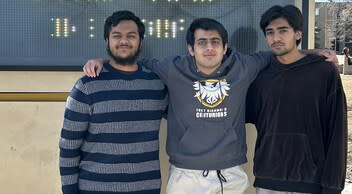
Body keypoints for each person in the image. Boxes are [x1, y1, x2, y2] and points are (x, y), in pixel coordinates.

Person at [83, 17, 338, 194]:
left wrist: (314, 52)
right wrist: (102, 60)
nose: (209, 47)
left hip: (231, 174)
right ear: (191, 49)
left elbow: (280, 52)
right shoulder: (172, 68)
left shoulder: (245, 65)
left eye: (215, 42)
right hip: (185, 177)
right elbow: (131, 60)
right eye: (202, 42)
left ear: (225, 47)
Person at [58, 10, 168, 194]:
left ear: (140, 40)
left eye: (131, 36)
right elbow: (69, 147)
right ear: (107, 41)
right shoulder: (87, 86)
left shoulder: (156, 84)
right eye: (116, 36)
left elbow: (183, 116)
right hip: (94, 189)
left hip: (145, 188)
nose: (124, 41)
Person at [246, 5, 348, 194]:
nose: (276, 38)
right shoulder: (259, 76)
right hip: (267, 180)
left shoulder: (323, 72)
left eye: (283, 31)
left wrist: (333, 186)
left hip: (310, 181)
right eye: (270, 32)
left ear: (298, 34)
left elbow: (337, 130)